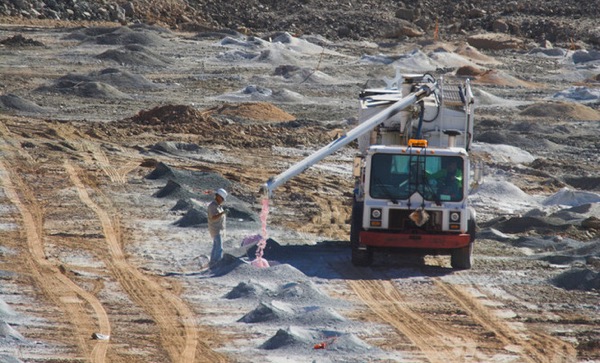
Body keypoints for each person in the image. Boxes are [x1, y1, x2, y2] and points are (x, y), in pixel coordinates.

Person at [207, 188, 228, 266]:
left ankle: (212, 262)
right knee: (219, 248)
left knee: (215, 247)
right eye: (222, 198)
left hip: (218, 230)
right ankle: (217, 264)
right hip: (215, 230)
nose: (222, 200)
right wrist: (222, 213)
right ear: (218, 197)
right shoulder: (212, 206)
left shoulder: (218, 206)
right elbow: (213, 217)